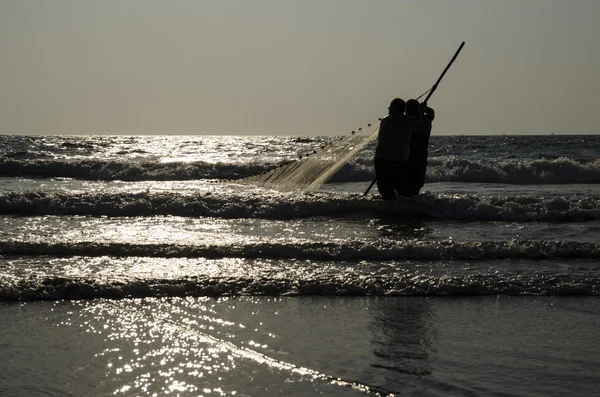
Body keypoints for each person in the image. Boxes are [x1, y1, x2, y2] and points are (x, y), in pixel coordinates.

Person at [374, 98, 421, 199]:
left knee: (389, 189)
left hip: (388, 160)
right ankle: (395, 206)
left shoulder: (386, 120)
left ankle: (393, 206)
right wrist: (420, 113)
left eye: (390, 108)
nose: (389, 110)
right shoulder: (408, 120)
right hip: (389, 160)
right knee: (395, 189)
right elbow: (423, 128)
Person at [404, 99, 435, 196]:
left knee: (408, 187)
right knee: (414, 187)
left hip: (410, 159)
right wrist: (423, 109)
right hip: (420, 159)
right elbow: (431, 111)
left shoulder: (408, 122)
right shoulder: (426, 120)